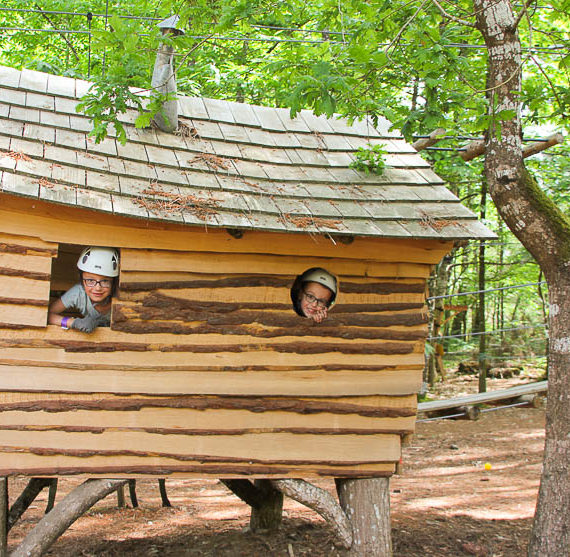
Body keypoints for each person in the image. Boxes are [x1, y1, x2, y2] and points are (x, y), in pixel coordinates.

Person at [48, 246, 119, 333]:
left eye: (105, 281)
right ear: (81, 279)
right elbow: (47, 314)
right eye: (90, 280)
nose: (97, 288)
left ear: (114, 282)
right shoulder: (78, 293)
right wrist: (74, 323)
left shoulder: (120, 295)